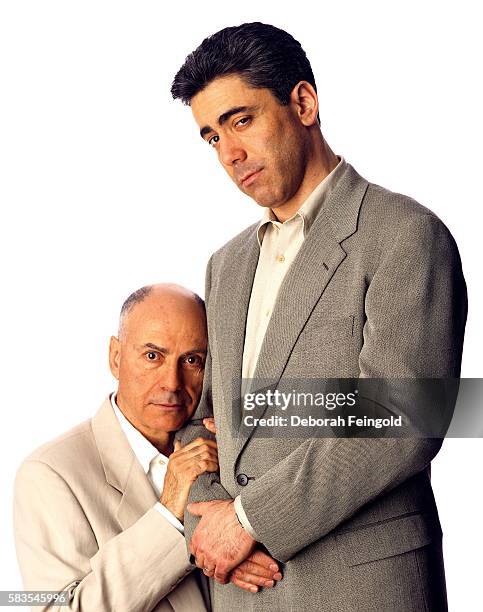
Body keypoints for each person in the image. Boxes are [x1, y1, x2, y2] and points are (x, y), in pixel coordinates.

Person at [171, 23, 468, 611]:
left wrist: (251, 520)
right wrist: (210, 516)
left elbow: (402, 419)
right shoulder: (225, 265)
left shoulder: (404, 236)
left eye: (241, 120)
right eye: (211, 137)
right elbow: (200, 420)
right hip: (240, 590)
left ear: (303, 103)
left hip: (360, 588)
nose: (229, 153)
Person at [13, 283, 281, 612]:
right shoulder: (48, 474)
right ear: (115, 357)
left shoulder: (228, 445)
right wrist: (168, 517)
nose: (172, 382)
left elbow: (357, 413)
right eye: (153, 356)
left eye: (192, 360)